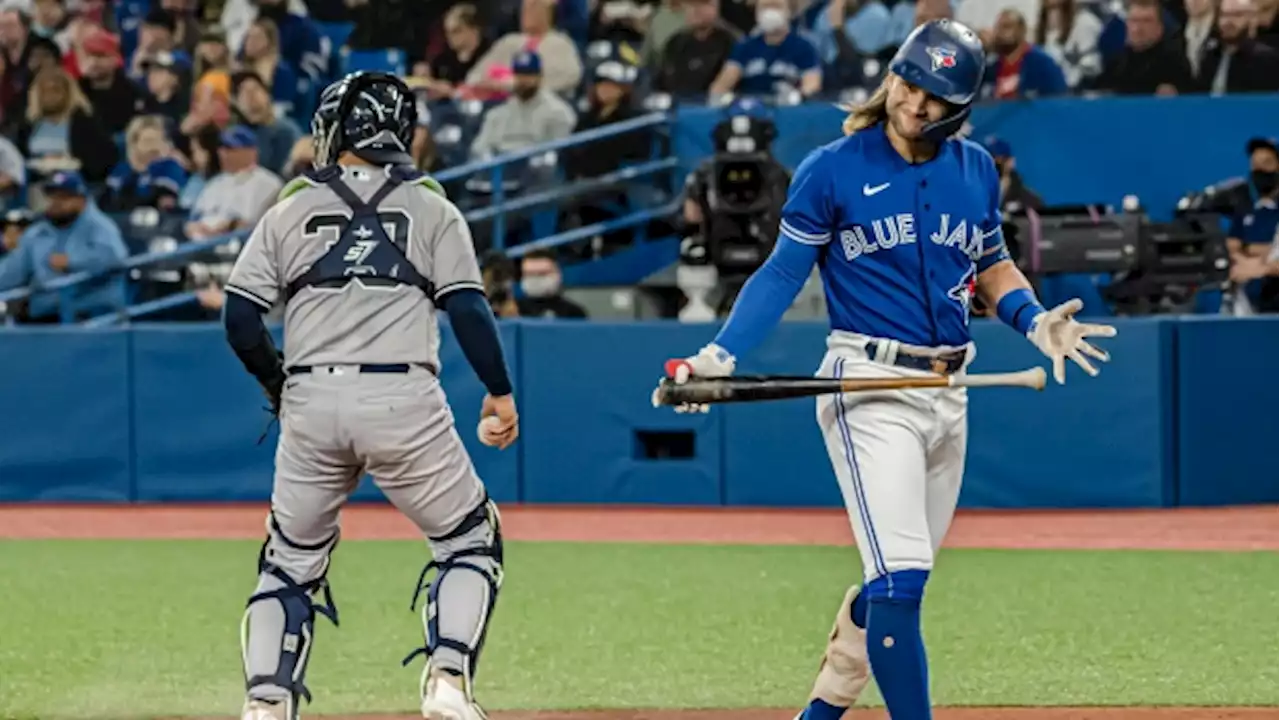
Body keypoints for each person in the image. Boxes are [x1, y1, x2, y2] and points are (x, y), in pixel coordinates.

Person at [654, 20, 1116, 720]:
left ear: (959, 108)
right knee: (900, 579)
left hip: (949, 387)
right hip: (869, 386)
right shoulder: (832, 168)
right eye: (908, 81)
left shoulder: (976, 170)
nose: (914, 101)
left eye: (934, 95)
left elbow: (989, 265)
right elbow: (782, 273)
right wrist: (717, 356)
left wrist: (1033, 318)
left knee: (894, 588)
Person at [223, 71, 515, 720]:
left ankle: (266, 703)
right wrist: (499, 392)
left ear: (338, 131)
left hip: (311, 399)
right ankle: (446, 683)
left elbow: (239, 320)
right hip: (402, 397)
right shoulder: (434, 206)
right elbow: (468, 309)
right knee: (469, 540)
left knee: (289, 563)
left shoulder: (290, 204)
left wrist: (279, 384)